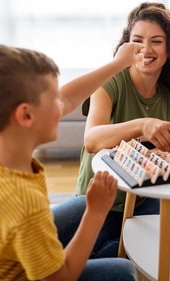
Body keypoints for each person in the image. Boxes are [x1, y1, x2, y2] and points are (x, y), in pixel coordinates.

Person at [72, 2, 170, 258]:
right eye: (137, 40)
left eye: (156, 41)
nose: (146, 49)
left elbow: (165, 154)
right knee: (106, 258)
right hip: (100, 203)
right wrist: (141, 125)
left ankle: (141, 235)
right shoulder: (110, 83)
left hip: (145, 197)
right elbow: (92, 140)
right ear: (127, 46)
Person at [0, 42, 144, 280]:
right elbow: (60, 277)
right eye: (53, 100)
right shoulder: (24, 202)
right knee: (123, 271)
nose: (62, 106)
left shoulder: (9, 152)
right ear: (26, 115)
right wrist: (96, 213)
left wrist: (118, 64)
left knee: (80, 204)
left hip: (16, 240)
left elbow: (67, 97)